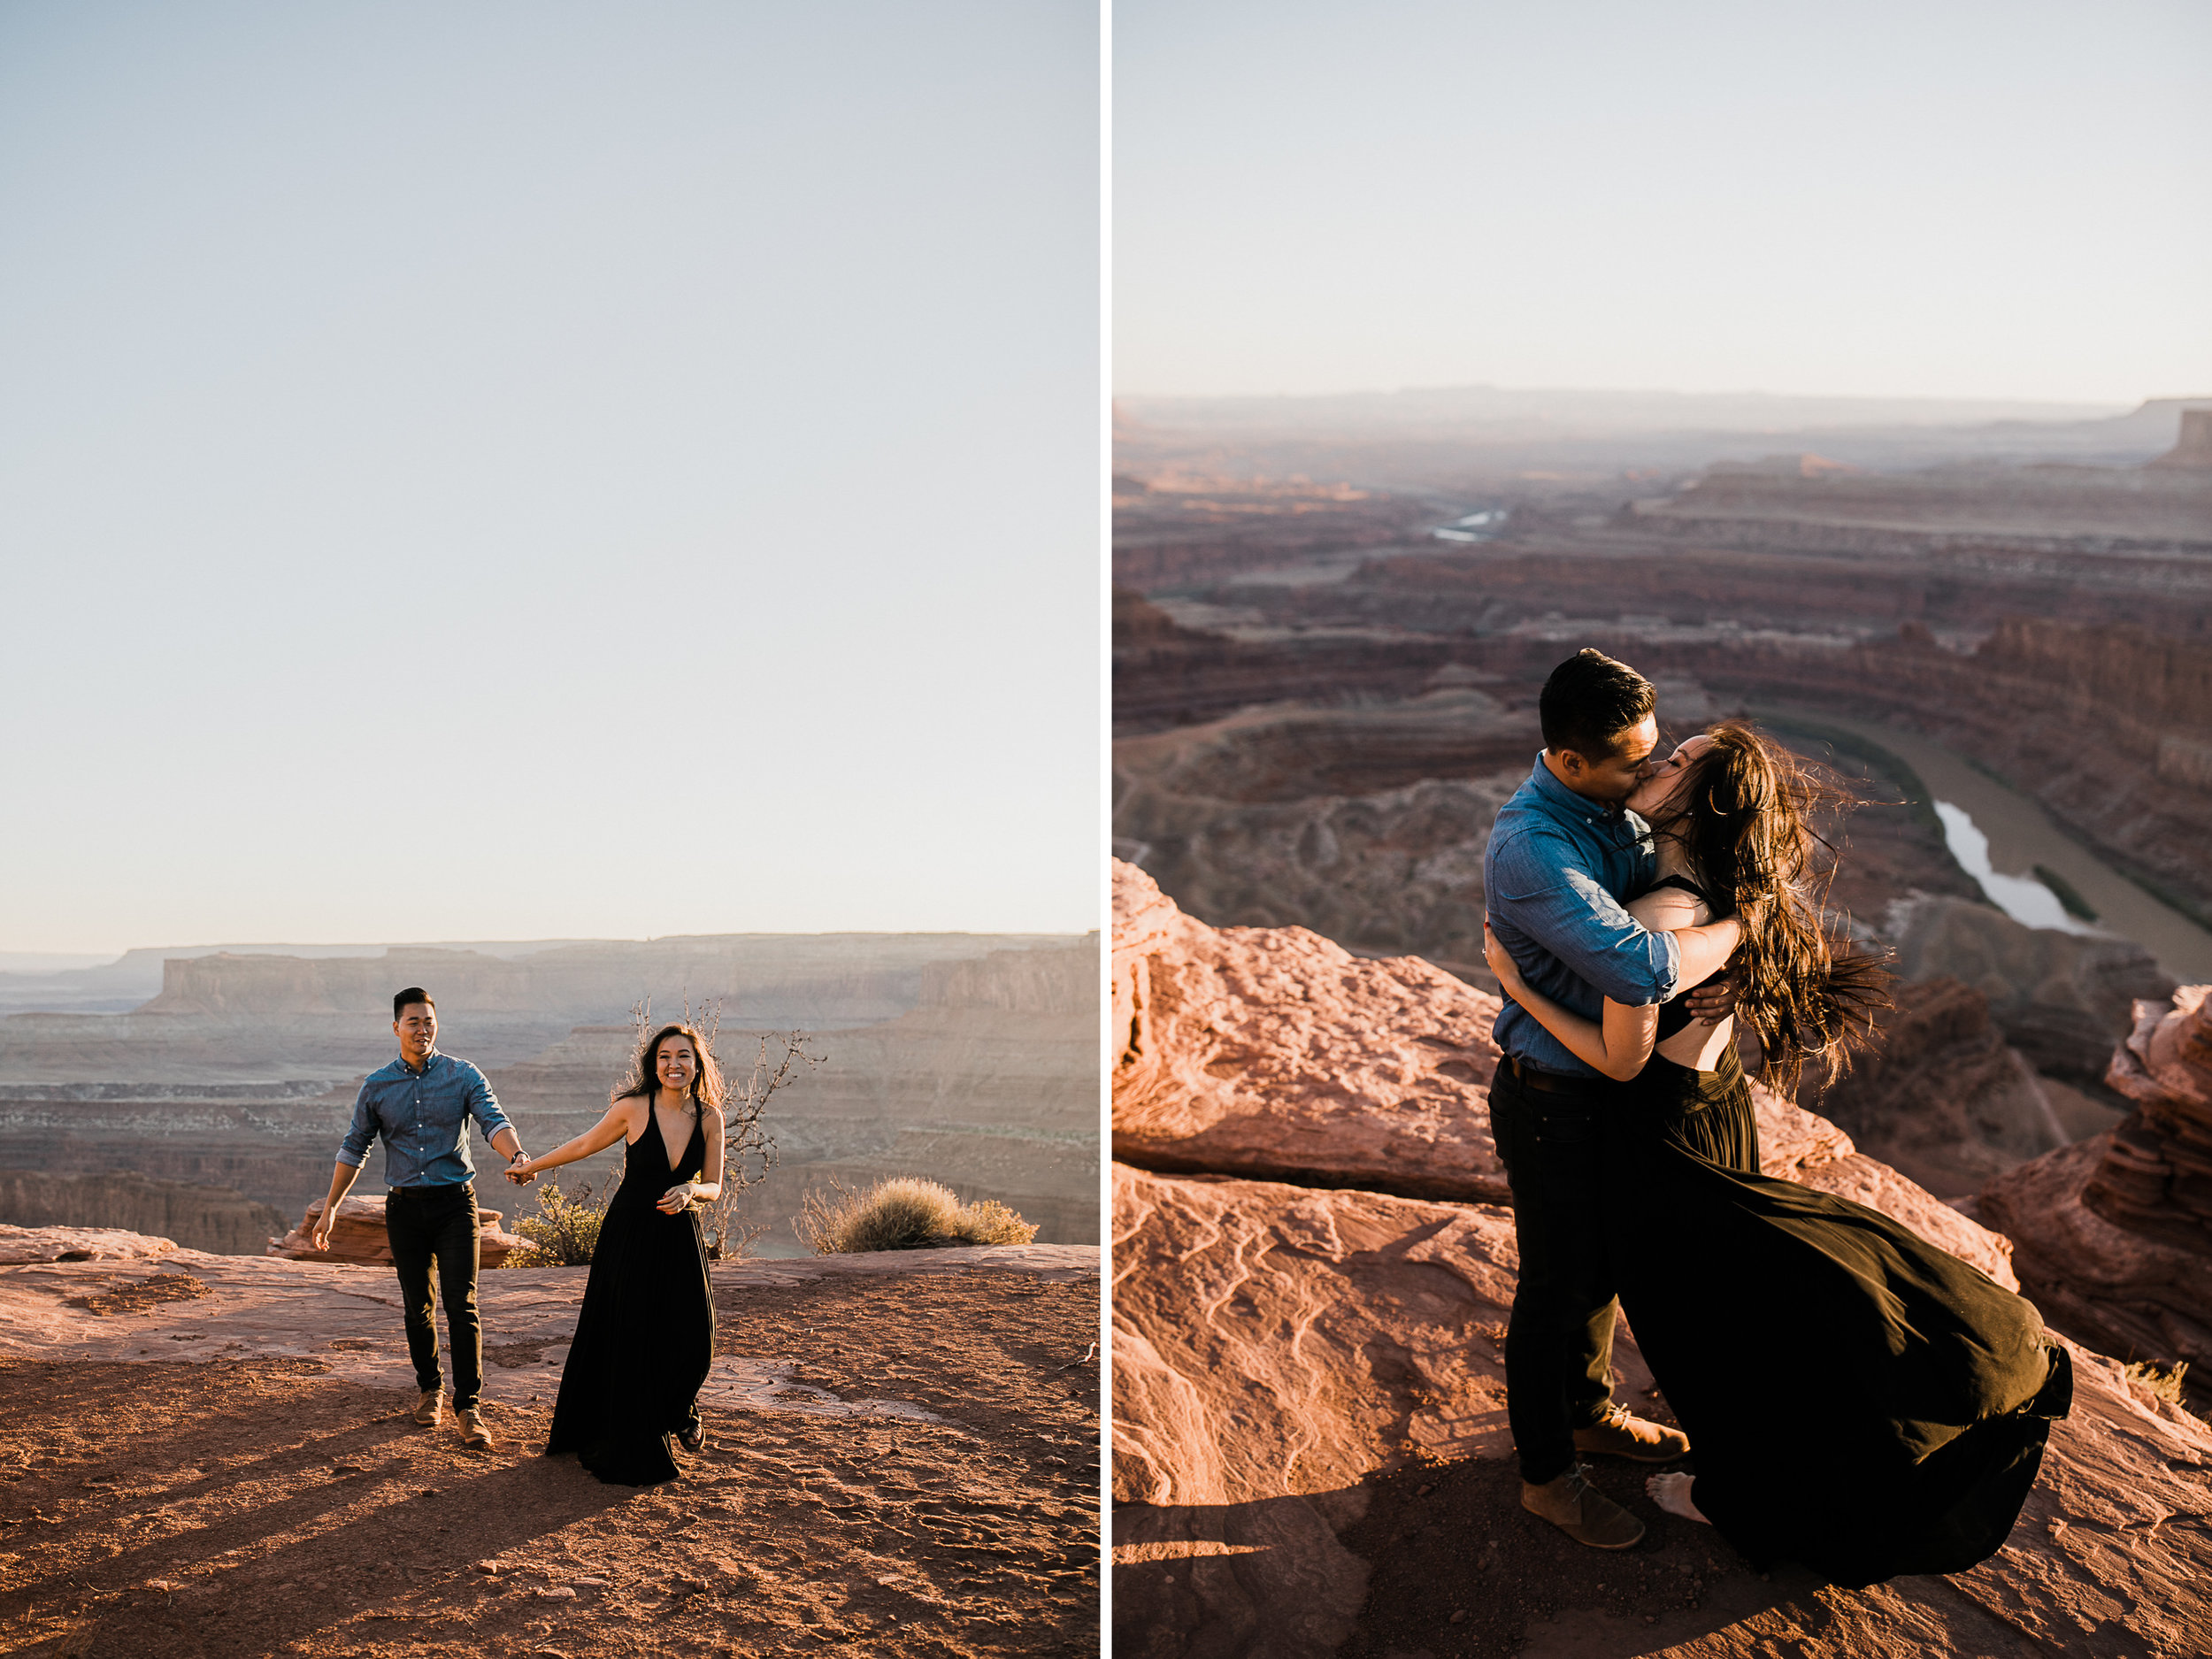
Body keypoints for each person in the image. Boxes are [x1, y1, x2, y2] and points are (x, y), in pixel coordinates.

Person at [1486, 721, 2070, 1586]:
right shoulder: (1722, 885)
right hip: (1717, 1108)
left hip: (1668, 1142)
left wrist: (1513, 978)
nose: (1658, 762)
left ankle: (1735, 1489)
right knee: (1737, 1310)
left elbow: (1619, 1058)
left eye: (1679, 761)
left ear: (1706, 801)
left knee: (1718, 1332)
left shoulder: (1665, 910)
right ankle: (1597, 1422)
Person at [1482, 649, 1746, 1549]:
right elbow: (1642, 966)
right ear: (1568, 761)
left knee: (1599, 1275)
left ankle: (1590, 1413)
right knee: (1553, 1290)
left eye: (1658, 750)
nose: (1652, 766)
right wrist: (1742, 927)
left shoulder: (1614, 807)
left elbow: (1666, 930)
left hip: (1614, 1096)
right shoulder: (1533, 848)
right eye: (1635, 759)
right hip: (1552, 1100)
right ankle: (1546, 1479)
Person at [506, 1020, 726, 1486]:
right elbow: (585, 1144)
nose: (674, 1065)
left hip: (679, 1235)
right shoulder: (631, 1108)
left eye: (683, 1056)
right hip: (628, 1234)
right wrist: (532, 1167)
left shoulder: (709, 1118)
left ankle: (680, 1408)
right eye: (665, 1057)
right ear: (654, 1064)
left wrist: (690, 1190)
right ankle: (638, 1429)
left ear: (696, 1063)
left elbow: (715, 1185)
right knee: (629, 1331)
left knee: (695, 1335)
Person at [312, 987, 532, 1451]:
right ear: (396, 1028)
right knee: (418, 1306)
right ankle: (429, 1389)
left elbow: (492, 1120)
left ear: (437, 1025)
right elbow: (355, 1148)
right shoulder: (377, 1086)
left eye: (429, 1021)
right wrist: (331, 1207)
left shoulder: (462, 1074)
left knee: (462, 1303)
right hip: (405, 1209)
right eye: (413, 1022)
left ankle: (468, 1405)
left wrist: (516, 1155)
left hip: (456, 1204)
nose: (422, 1029)